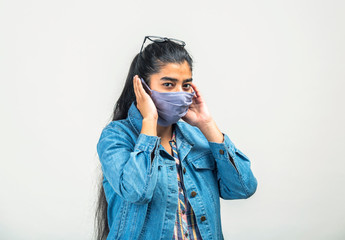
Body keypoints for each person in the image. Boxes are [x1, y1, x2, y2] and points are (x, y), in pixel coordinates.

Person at [95, 36, 258, 240]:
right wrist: (149, 121)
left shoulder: (197, 137)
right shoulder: (116, 136)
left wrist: (207, 125)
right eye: (169, 84)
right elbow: (137, 191)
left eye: (186, 85)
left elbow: (243, 188)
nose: (180, 93)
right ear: (143, 87)